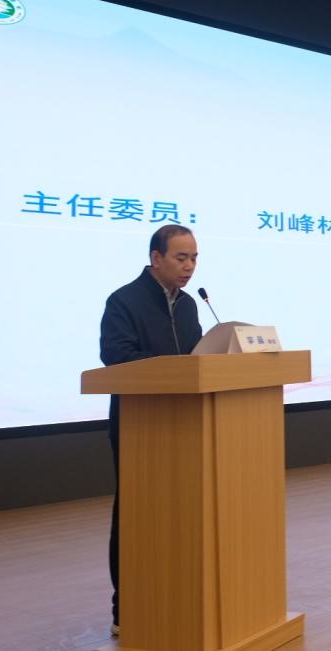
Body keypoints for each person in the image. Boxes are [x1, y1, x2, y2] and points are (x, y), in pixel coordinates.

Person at [99, 224, 202, 634]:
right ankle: (126, 608)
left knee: (182, 513)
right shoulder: (124, 300)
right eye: (181, 258)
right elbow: (116, 355)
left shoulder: (190, 305)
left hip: (187, 425)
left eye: (194, 258)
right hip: (139, 427)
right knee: (134, 514)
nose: (189, 266)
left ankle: (175, 594)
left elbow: (198, 361)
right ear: (156, 258)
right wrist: (171, 369)